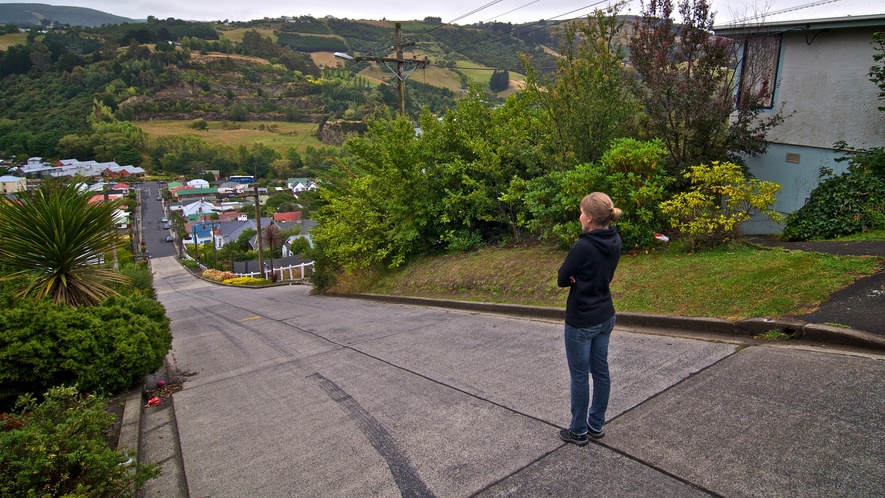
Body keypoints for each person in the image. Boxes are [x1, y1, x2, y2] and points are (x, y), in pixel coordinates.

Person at [557, 192, 622, 446]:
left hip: (582, 321)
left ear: (591, 218)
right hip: (606, 315)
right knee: (601, 371)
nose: (579, 215)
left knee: (580, 376)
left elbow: (563, 277)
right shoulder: (614, 240)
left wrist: (575, 275)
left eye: (582, 211)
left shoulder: (583, 246)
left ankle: (578, 430)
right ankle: (596, 425)